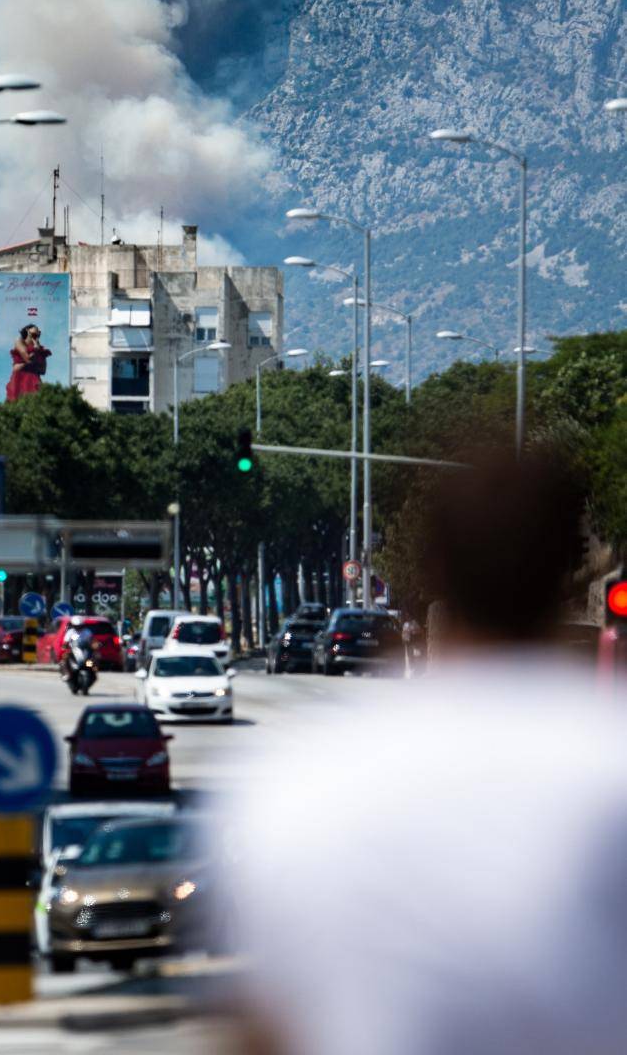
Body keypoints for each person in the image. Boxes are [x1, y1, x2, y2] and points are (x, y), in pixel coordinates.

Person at [224, 447, 627, 1055]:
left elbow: (268, 1023)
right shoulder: (608, 771)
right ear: (568, 574)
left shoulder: (301, 786)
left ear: (434, 571)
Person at [5, 325, 51, 401]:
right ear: (27, 330)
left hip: (34, 380)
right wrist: (35, 355)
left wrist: (22, 366)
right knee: (16, 402)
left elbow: (43, 370)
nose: (37, 332)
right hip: (19, 380)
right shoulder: (19, 341)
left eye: (38, 333)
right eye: (33, 331)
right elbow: (27, 359)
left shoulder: (41, 349)